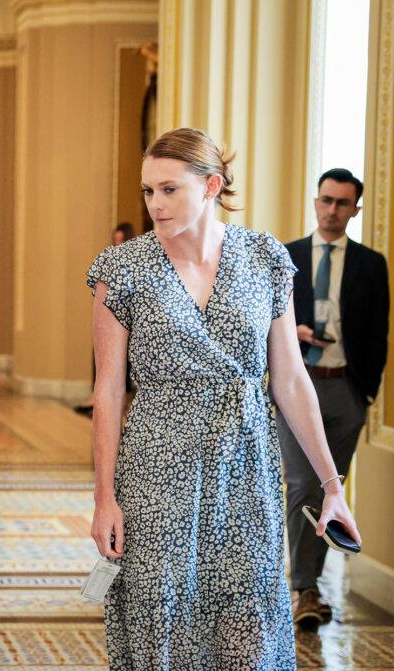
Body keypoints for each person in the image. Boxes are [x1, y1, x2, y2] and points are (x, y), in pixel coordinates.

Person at [87, 127, 361, 670]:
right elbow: (109, 389)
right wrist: (103, 497)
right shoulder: (121, 270)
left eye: (169, 190)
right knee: (159, 620)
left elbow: (289, 381)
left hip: (246, 468)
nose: (154, 204)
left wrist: (333, 487)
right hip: (155, 469)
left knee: (249, 624)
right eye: (147, 192)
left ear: (211, 185)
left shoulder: (264, 257)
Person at [278, 168, 388, 630]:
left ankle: (309, 583)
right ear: (315, 201)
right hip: (296, 383)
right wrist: (295, 331)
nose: (332, 210)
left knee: (331, 489)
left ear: (355, 209)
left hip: (345, 389)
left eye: (343, 203)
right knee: (303, 484)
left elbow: (379, 333)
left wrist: (364, 392)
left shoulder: (370, 264)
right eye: (326, 200)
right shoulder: (289, 256)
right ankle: (304, 586)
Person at [74, 222, 137, 415]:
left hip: (133, 324)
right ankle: (99, 398)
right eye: (115, 241)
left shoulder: (137, 263)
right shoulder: (111, 265)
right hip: (116, 318)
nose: (118, 245)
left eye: (121, 240)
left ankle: (119, 400)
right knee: (101, 350)